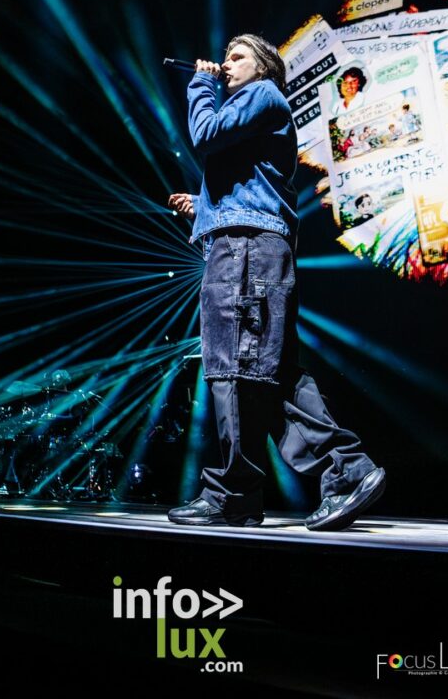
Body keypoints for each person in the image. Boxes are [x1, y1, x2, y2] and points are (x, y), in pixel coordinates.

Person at [167, 34, 385, 531]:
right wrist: (203, 207)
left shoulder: (262, 94)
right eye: (224, 58)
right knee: (258, 371)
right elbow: (254, 181)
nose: (224, 64)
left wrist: (200, 85)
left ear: (264, 66)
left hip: (247, 250)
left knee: (237, 369)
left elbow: (205, 134)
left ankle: (329, 475)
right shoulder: (254, 109)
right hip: (244, 245)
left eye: (236, 56)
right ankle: (246, 492)